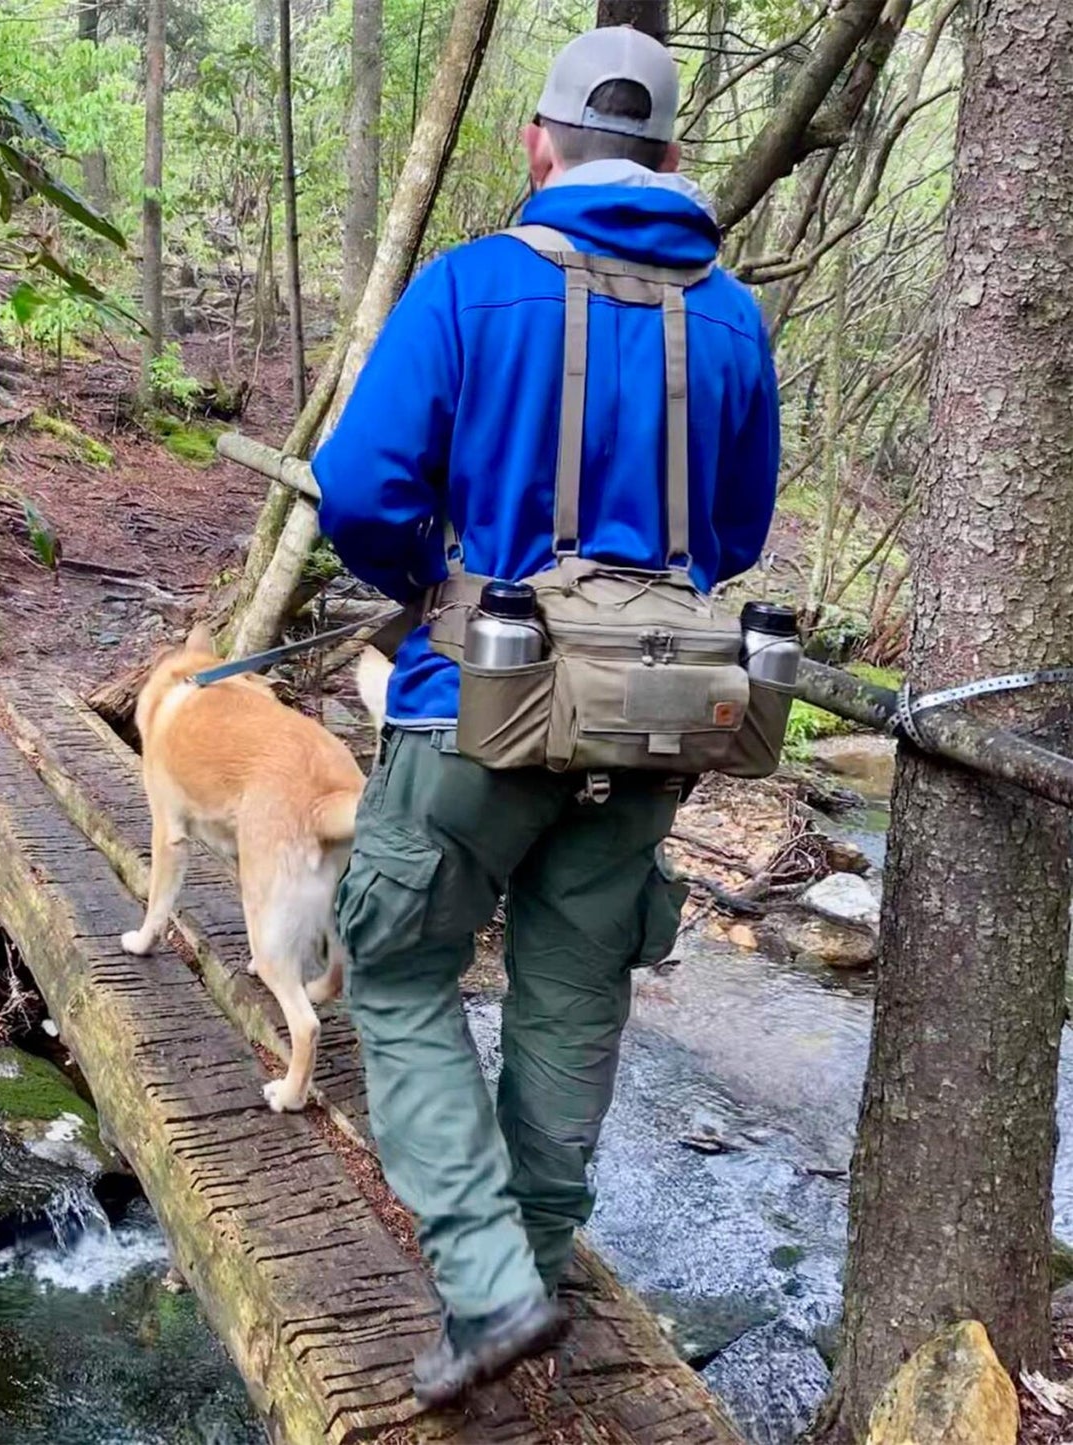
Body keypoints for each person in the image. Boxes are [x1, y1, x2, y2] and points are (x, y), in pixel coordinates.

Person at [312, 25, 780, 1406]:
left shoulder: (468, 288)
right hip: (656, 719)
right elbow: (737, 532)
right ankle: (536, 1258)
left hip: (476, 705)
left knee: (396, 971)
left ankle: (486, 1283)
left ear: (537, 143)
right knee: (573, 998)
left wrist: (426, 585)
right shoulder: (734, 317)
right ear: (674, 159)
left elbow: (358, 489)